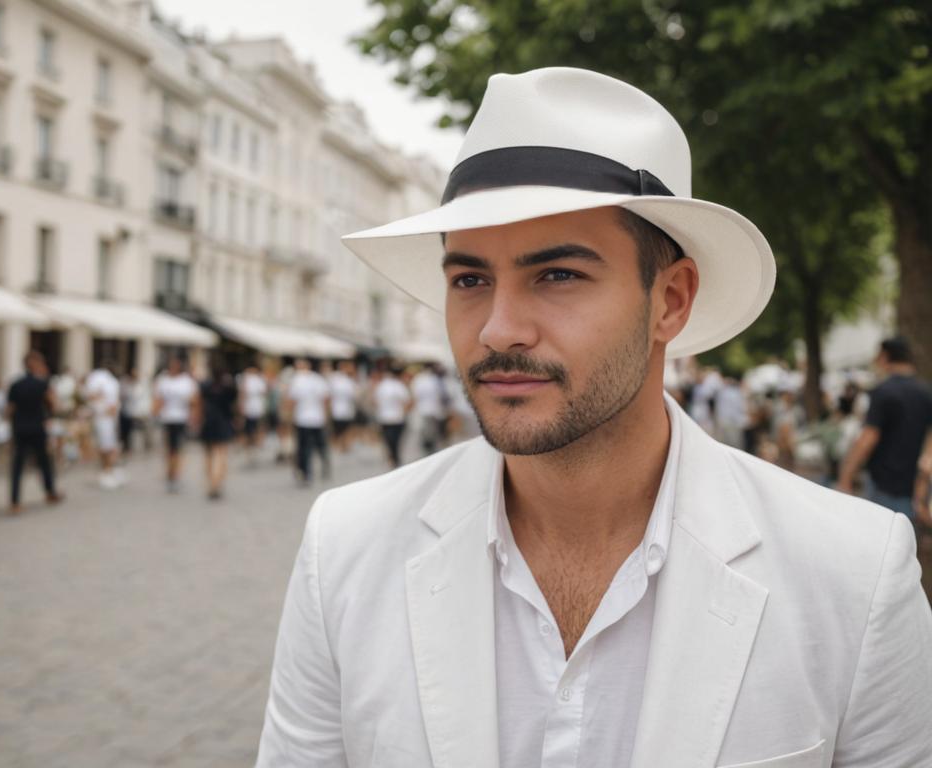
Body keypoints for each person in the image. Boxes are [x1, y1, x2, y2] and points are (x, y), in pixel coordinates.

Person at [257, 68, 932, 766]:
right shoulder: (346, 549)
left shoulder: (849, 572)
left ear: (670, 300)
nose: (498, 329)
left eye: (557, 275)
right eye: (469, 280)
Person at [838, 337, 932, 519]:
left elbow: (868, 438)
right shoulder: (925, 392)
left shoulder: (883, 391)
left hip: (883, 483)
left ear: (885, 356)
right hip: (911, 484)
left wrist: (846, 476)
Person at [6, 350, 64, 514]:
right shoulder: (42, 384)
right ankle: (50, 492)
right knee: (44, 462)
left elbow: (9, 409)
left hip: (20, 428)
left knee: (17, 465)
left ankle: (15, 501)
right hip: (37, 427)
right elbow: (54, 404)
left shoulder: (15, 384)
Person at [152, 356, 198, 493]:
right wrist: (154, 413)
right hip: (167, 418)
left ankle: (175, 475)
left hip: (181, 419)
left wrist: (193, 417)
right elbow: (157, 399)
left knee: (177, 449)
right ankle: (170, 473)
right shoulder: (163, 380)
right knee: (169, 448)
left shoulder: (186, 381)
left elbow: (194, 401)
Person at [194, 359, 237, 500]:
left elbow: (199, 403)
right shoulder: (229, 387)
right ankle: (217, 482)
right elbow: (234, 406)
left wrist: (197, 420)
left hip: (209, 421)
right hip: (223, 421)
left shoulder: (205, 385)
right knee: (221, 454)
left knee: (209, 455)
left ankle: (211, 483)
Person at [285, 358, 330, 486]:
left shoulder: (297, 380)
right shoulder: (318, 379)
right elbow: (326, 398)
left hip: (302, 419)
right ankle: (325, 466)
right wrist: (325, 414)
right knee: (321, 445)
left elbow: (292, 400)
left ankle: (306, 473)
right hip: (317, 418)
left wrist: (289, 416)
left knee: (304, 448)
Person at [84, 360, 123, 489]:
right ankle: (106, 471)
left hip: (107, 418)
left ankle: (109, 470)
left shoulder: (107, 381)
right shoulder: (103, 380)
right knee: (106, 446)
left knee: (109, 445)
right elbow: (92, 396)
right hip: (104, 417)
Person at [373, 364, 412, 468]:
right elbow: (407, 402)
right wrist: (403, 413)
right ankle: (395, 458)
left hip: (384, 418)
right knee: (396, 441)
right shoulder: (399, 386)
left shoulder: (382, 385)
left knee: (388, 441)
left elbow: (375, 401)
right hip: (397, 418)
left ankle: (392, 458)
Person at [411, 362, 447, 455]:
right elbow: (440, 394)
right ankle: (430, 448)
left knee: (426, 431)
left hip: (424, 409)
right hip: (432, 409)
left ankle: (428, 448)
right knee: (431, 431)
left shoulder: (418, 379)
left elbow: (415, 394)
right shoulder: (433, 379)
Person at [327, 360, 358, 453]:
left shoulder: (334, 379)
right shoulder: (346, 381)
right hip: (343, 410)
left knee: (340, 429)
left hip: (339, 410)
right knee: (343, 429)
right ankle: (342, 446)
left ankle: (340, 446)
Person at [238, 362, 268, 455]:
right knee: (248, 426)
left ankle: (257, 441)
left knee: (256, 425)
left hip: (256, 406)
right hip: (250, 407)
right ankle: (249, 442)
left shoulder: (258, 380)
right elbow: (243, 393)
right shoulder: (245, 380)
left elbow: (264, 392)